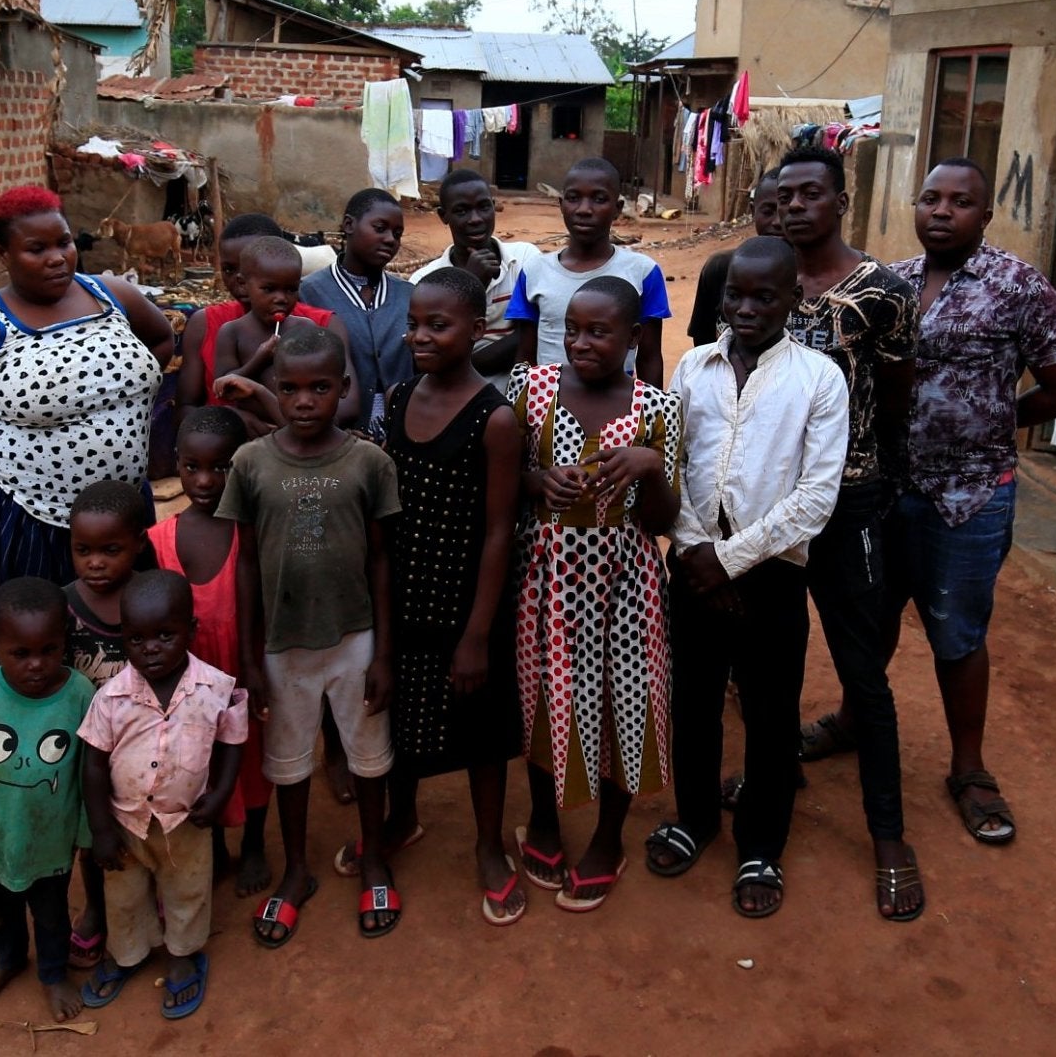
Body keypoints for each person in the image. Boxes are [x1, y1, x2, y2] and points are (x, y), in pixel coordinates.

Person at [735, 144, 924, 919]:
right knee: (765, 667)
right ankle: (772, 778)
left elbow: (898, 396)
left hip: (847, 504)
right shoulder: (758, 282)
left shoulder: (880, 292)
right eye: (786, 195)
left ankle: (889, 837)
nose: (798, 206)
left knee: (861, 670)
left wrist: (881, 490)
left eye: (814, 193)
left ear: (842, 200)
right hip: (765, 513)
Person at [883, 158, 1056, 845]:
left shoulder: (1018, 286)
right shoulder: (894, 283)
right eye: (930, 198)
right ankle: (857, 720)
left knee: (957, 632)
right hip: (887, 490)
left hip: (969, 497)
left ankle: (968, 768)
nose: (942, 211)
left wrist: (1000, 418)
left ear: (985, 215)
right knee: (868, 619)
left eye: (960, 201)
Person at [649, 238, 849, 919]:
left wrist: (727, 560)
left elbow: (816, 498)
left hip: (771, 574)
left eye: (766, 295)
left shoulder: (819, 379)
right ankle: (697, 816)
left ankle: (761, 841)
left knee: (768, 710)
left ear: (794, 298)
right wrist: (695, 550)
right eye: (736, 293)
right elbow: (671, 466)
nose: (747, 307)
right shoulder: (694, 369)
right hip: (694, 564)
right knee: (694, 701)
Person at [0, 186, 175, 681]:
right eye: (35, 248)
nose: (57, 258)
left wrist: (125, 404)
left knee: (121, 661)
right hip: (24, 520)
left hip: (121, 521)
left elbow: (162, 337)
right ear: (2, 253)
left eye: (63, 242)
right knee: (32, 665)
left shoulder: (113, 296)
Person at [345, 268, 526, 925]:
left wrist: (477, 633)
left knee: (478, 728)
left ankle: (486, 843)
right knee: (402, 716)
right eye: (414, 323)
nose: (419, 335)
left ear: (478, 331)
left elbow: (501, 529)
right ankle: (403, 815)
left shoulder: (495, 418)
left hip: (467, 602)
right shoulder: (396, 400)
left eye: (438, 325)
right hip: (404, 590)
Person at [216, 329, 401, 945]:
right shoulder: (250, 463)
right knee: (289, 766)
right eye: (289, 388)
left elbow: (381, 559)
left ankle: (374, 857)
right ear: (273, 390)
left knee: (369, 759)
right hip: (280, 645)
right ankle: (296, 870)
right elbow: (244, 563)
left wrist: (384, 654)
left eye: (320, 387)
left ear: (344, 390)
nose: (303, 401)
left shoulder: (369, 462)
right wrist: (249, 656)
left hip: (355, 638)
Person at [509, 278, 682, 912]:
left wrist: (650, 467)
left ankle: (608, 838)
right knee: (543, 695)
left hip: (627, 583)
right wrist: (536, 481)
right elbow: (507, 478)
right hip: (546, 576)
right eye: (573, 330)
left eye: (599, 332)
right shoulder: (531, 390)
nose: (581, 343)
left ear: (634, 338)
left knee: (626, 699)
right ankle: (546, 821)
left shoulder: (658, 408)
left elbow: (663, 520)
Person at [78, 570, 247, 1019]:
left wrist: (223, 791)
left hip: (186, 822)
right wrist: (100, 830)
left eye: (165, 635)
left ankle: (183, 954)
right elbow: (93, 766)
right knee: (125, 895)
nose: (150, 648)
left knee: (188, 891)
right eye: (136, 639)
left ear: (190, 631)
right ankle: (127, 955)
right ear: (123, 638)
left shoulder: (215, 687)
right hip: (125, 823)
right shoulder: (111, 698)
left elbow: (232, 742)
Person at [0, 577, 94, 1023]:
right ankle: (8, 960)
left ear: (63, 641)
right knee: (0, 912)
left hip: (53, 841)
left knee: (52, 918)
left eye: (49, 650)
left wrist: (85, 834)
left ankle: (51, 973)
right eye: (21, 654)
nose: (36, 665)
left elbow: (89, 773)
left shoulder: (80, 694)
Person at [148, 406, 274, 899]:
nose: (205, 480)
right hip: (190, 685)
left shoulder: (251, 531)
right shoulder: (158, 541)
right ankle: (217, 843)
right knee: (200, 762)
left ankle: (258, 843)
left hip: (245, 672)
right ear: (175, 464)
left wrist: (255, 668)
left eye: (221, 467)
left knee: (253, 758)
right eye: (191, 466)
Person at [60, 479, 159, 970]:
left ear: (140, 543)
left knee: (149, 829)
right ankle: (96, 906)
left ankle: (153, 899)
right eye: (83, 550)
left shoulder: (151, 600)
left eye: (110, 550)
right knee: (93, 835)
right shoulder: (63, 610)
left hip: (145, 747)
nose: (95, 562)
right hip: (88, 753)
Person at [506, 157, 670, 387]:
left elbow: (650, 357)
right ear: (561, 204)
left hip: (617, 411)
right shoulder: (534, 271)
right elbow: (525, 353)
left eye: (599, 199)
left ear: (617, 208)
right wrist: (521, 411)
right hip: (548, 409)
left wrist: (651, 414)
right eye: (573, 199)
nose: (584, 209)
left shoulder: (643, 272)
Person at [177, 213, 337, 430]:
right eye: (228, 269)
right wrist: (232, 419)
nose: (238, 281)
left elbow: (339, 404)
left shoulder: (314, 325)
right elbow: (190, 404)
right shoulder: (216, 327)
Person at [299, 188, 415, 441]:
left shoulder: (409, 295)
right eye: (380, 228)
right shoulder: (310, 292)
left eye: (397, 234)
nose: (390, 240)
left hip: (404, 433)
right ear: (349, 225)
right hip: (337, 433)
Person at [213, 235, 360, 427]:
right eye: (269, 289)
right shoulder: (232, 332)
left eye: (291, 290)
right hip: (254, 432)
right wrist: (260, 358)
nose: (281, 298)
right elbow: (224, 388)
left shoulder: (306, 328)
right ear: (243, 285)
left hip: (303, 428)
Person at [411, 170, 537, 389]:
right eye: (462, 211)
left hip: (518, 397)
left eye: (484, 207)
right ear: (443, 216)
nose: (475, 219)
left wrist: (457, 365)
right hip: (454, 402)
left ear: (494, 206)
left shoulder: (525, 259)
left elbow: (534, 337)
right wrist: (470, 283)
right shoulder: (424, 281)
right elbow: (426, 360)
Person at [687, 171, 783, 350]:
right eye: (768, 211)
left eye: (785, 211)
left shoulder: (817, 277)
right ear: (753, 211)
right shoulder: (720, 268)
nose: (777, 222)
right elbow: (703, 343)